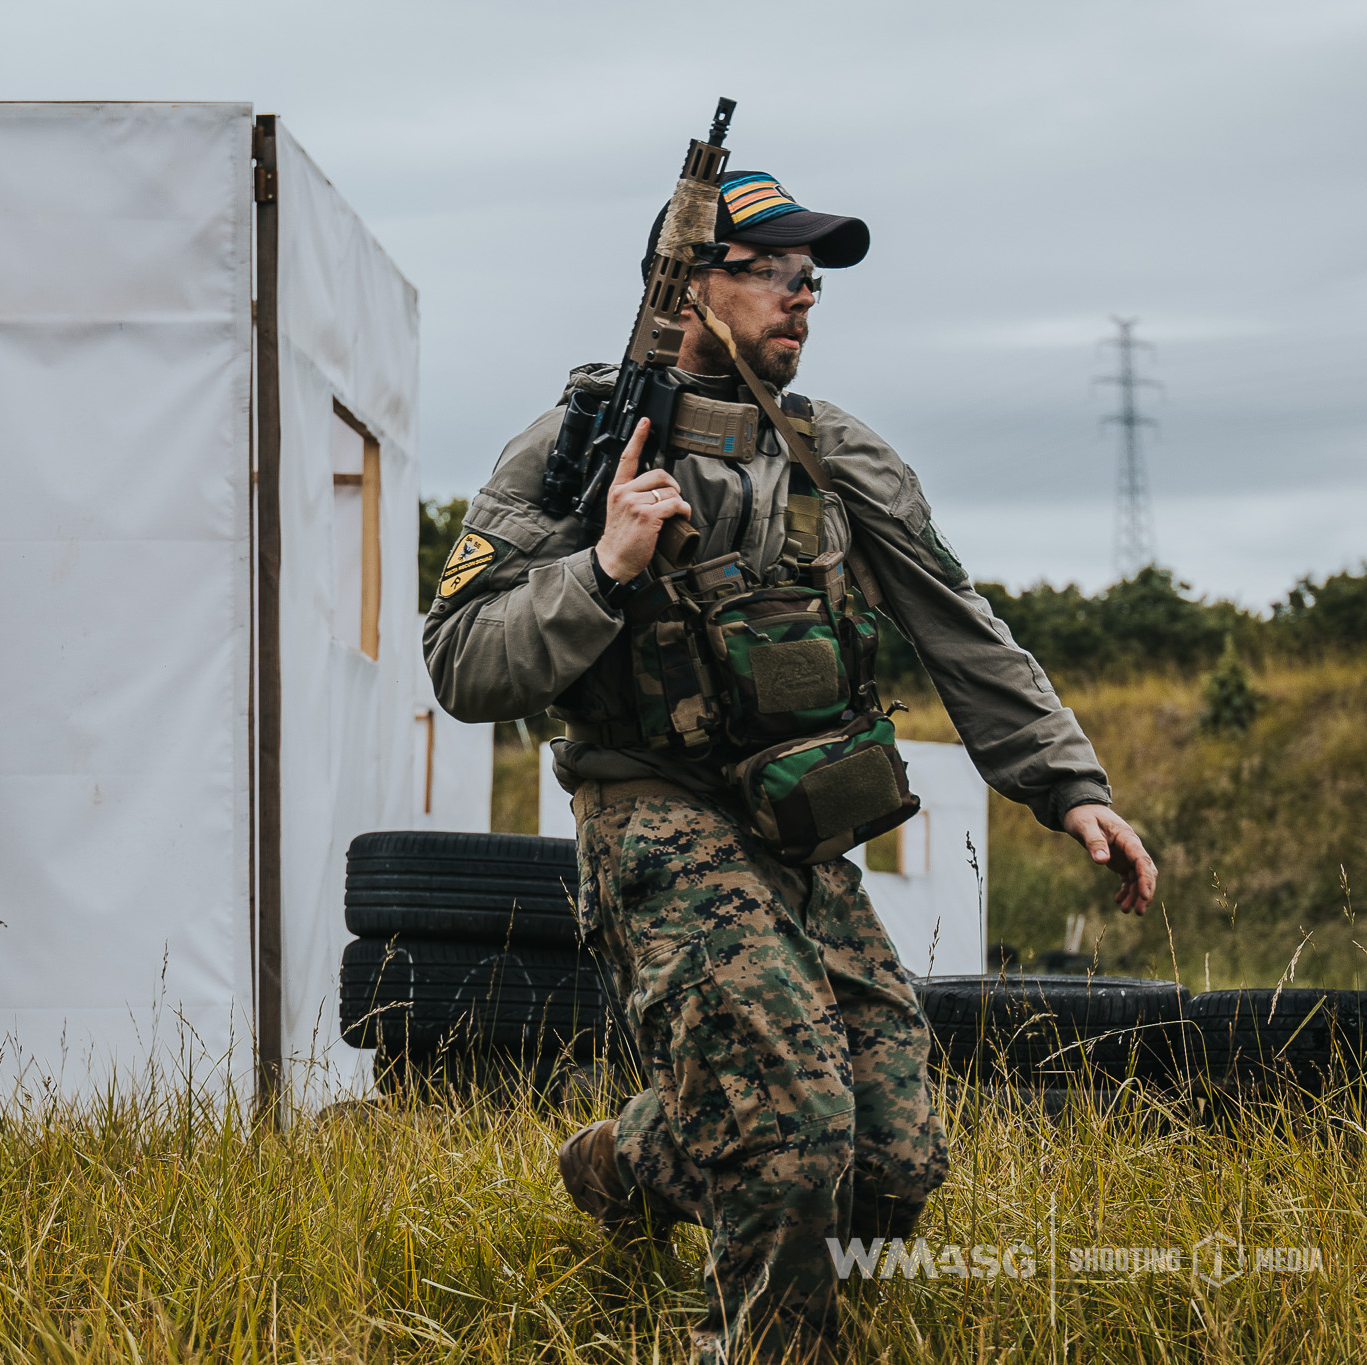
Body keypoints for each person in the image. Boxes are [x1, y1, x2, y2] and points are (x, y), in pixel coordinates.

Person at [424, 169, 1158, 1362]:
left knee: (893, 1155)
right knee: (791, 1133)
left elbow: (959, 627)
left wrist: (1067, 788)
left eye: (809, 278)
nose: (800, 297)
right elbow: (460, 663)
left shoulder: (834, 451)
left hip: (800, 825)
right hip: (654, 815)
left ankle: (630, 1158)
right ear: (682, 287)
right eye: (769, 271)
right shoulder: (572, 449)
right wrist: (601, 568)